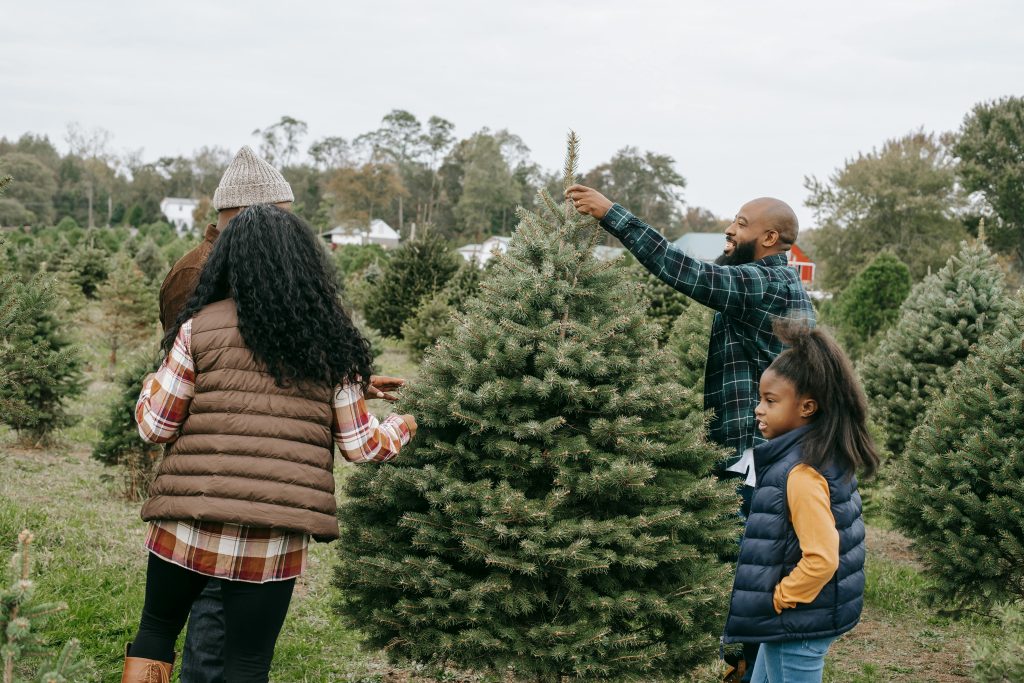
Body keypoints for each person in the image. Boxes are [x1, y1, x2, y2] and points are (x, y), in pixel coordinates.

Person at [122, 204, 418, 683]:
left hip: (187, 522)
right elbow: (362, 446)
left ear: (227, 260)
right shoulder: (333, 341)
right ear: (303, 261)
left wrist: (149, 384)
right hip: (272, 534)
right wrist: (405, 425)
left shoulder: (199, 327)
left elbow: (155, 426)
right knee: (248, 663)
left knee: (156, 630)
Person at [567, 185, 814, 679]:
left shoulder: (765, 284)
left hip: (754, 450)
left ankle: (746, 662)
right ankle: (750, 659)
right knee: (754, 558)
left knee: (751, 562)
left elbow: (690, 275)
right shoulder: (770, 281)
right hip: (766, 448)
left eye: (740, 224)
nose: (730, 228)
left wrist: (614, 215)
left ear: (769, 237)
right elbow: (713, 277)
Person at [722, 319, 877, 682]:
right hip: (791, 618)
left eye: (770, 401)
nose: (759, 409)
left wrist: (779, 598)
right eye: (760, 399)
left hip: (799, 620)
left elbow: (822, 559)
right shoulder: (818, 451)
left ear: (807, 407)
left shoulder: (802, 473)